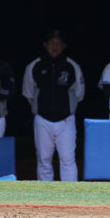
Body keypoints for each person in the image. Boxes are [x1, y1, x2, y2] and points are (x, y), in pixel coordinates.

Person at [22, 29, 85, 182]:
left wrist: (66, 108)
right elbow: (28, 93)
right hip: (42, 119)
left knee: (68, 159)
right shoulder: (35, 65)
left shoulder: (72, 66)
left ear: (64, 46)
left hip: (66, 120)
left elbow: (79, 94)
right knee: (44, 160)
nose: (54, 46)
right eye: (51, 43)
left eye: (58, 43)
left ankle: (70, 194)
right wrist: (41, 108)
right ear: (45, 45)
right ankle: (46, 194)